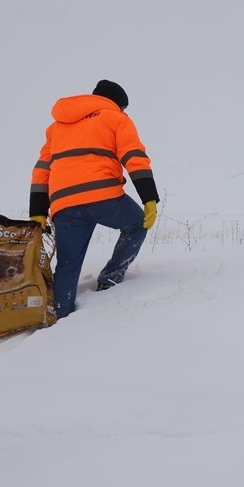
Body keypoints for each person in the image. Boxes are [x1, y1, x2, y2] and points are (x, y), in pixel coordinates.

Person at [28, 80, 160, 318]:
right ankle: (110, 279)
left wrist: (37, 210)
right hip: (104, 196)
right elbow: (134, 156)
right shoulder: (115, 118)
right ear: (117, 103)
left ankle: (59, 314)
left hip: (64, 204)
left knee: (68, 264)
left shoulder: (56, 127)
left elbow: (42, 169)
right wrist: (149, 197)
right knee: (137, 224)